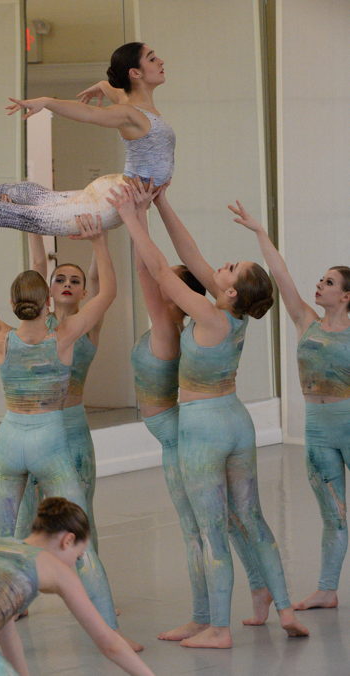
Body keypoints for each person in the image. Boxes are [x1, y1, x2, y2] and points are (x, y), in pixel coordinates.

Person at [108, 185, 309, 648]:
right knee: (252, 519)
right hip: (236, 420)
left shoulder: (208, 314)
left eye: (230, 267)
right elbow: (190, 253)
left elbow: (163, 271)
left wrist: (130, 217)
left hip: (204, 427)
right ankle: (283, 608)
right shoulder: (232, 314)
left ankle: (217, 627)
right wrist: (161, 203)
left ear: (231, 289)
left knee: (211, 529)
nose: (221, 265)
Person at [0, 213, 141, 648]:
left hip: (10, 442)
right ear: (47, 302)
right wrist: (100, 242)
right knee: (81, 541)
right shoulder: (64, 336)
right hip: (50, 442)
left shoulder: (0, 335)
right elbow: (108, 293)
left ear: (14, 302)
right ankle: (111, 636)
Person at [0, 42, 174, 234]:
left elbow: (113, 91)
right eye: (152, 58)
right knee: (30, 217)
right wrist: (48, 101)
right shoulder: (130, 114)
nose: (161, 61)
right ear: (135, 73)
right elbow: (89, 113)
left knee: (44, 198)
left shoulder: (133, 106)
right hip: (111, 204)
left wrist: (101, 86)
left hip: (115, 187)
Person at [229, 199, 350, 612]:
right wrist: (260, 232)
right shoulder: (306, 321)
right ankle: (327, 589)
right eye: (321, 280)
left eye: (329, 282)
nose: (320, 285)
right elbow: (281, 277)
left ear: (346, 295)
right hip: (317, 431)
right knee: (333, 515)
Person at [0, 496, 156, 676]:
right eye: (78, 557)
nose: (74, 564)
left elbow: (6, 633)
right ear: (68, 540)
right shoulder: (56, 569)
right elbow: (109, 643)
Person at [14, 232, 108, 555]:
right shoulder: (41, 324)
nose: (67, 284)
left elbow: (99, 280)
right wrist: (32, 226)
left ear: (83, 292)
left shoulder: (89, 325)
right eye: (60, 280)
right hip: (39, 427)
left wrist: (99, 238)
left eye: (74, 281)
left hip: (73, 428)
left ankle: (89, 579)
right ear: (49, 291)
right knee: (27, 511)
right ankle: (23, 579)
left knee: (80, 511)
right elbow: (37, 265)